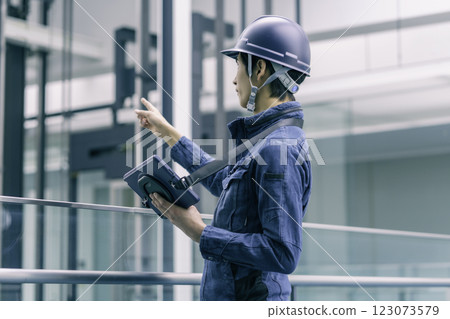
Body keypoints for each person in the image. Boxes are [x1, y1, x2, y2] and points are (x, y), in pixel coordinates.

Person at [135, 15, 312, 301]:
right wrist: (168, 134)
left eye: (239, 65)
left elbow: (283, 253)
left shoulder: (278, 149)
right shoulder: (264, 140)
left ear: (260, 69)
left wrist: (198, 231)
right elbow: (226, 181)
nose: (234, 78)